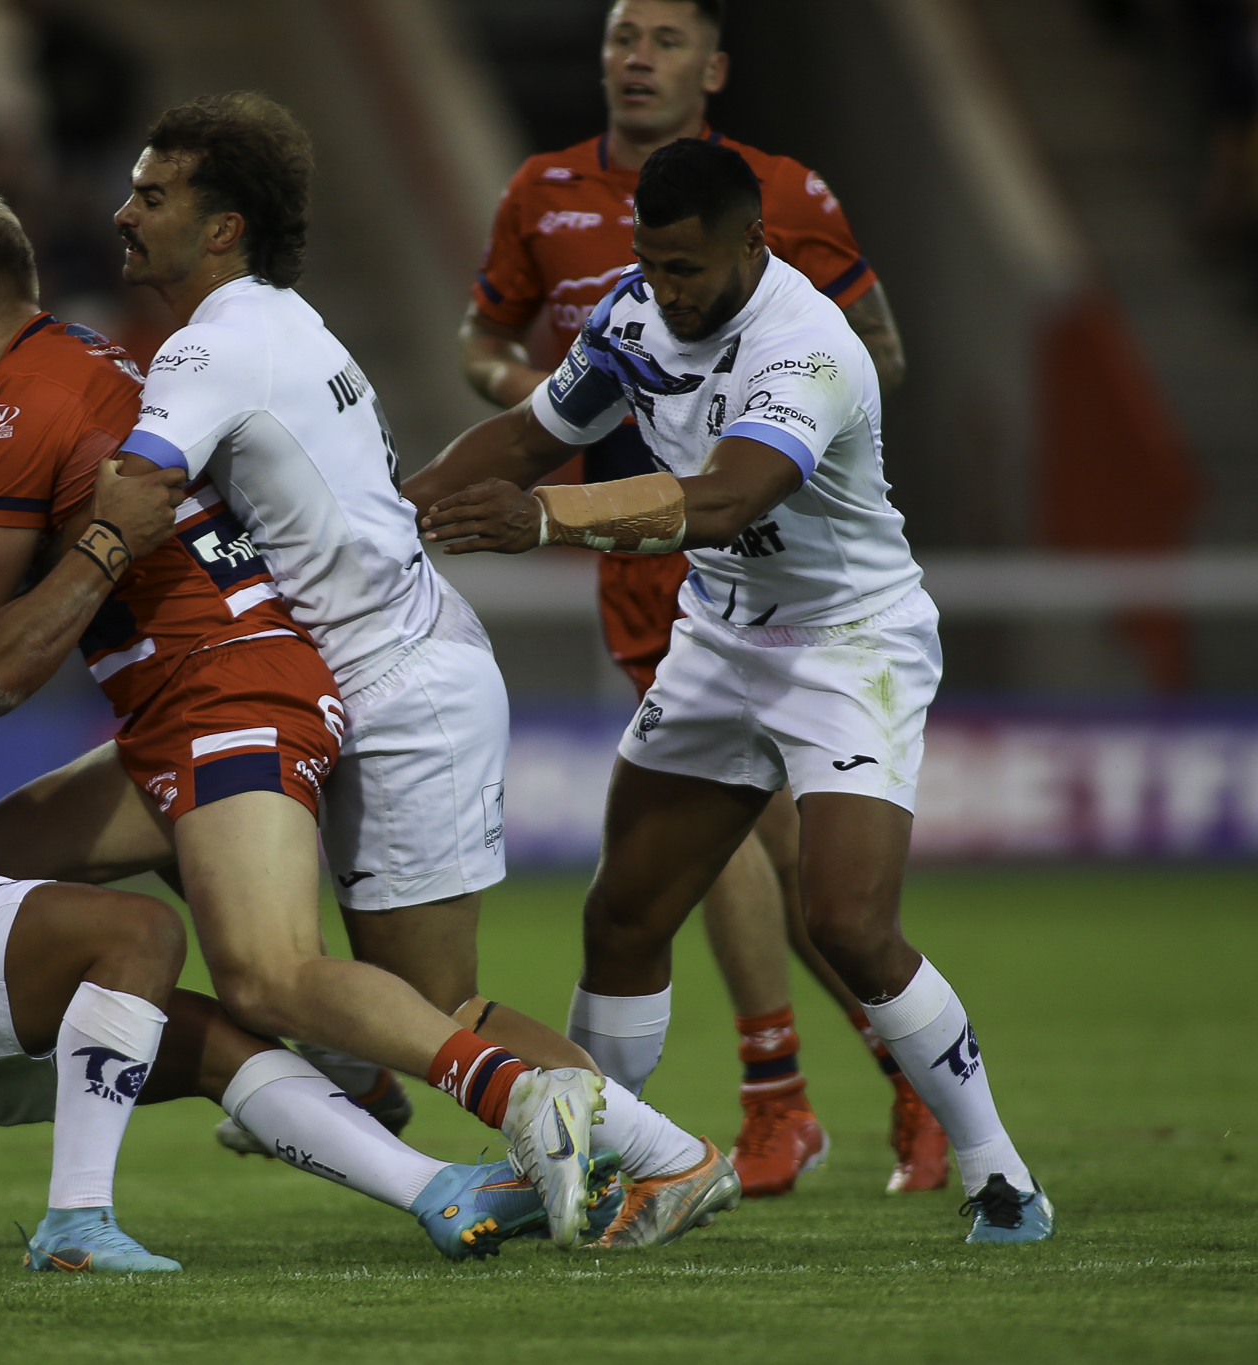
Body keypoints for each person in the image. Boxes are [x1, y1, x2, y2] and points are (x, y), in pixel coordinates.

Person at [0, 167, 675, 1255]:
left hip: (222, 687)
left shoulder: (16, 410)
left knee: (276, 978)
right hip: (195, 693)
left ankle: (548, 1105)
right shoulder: (83, 360)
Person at [89, 92, 741, 1250]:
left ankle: (672, 1157)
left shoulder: (210, 345)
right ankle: (354, 1072)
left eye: (151, 195)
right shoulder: (281, 321)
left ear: (223, 226)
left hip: (397, 690)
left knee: (437, 1007)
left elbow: (134, 496)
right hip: (375, 674)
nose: (123, 214)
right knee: (213, 874)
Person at [416, 137, 1052, 1245]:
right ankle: (599, 1158)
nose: (664, 290)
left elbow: (726, 498)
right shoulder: (629, 315)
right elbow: (526, 436)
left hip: (846, 647)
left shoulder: (807, 346)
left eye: (685, 269)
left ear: (751, 243)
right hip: (719, 638)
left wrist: (546, 519)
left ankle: (998, 1172)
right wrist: (383, 516)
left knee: (847, 922)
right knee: (623, 915)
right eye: (649, 263)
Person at [0, 443, 572, 1270]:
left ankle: (439, 1191)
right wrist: (106, 538)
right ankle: (75, 1222)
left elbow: (2, 622)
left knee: (222, 1043)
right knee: (137, 934)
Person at [444, 0, 943, 1201]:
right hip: (630, 547)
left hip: (749, 532)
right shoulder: (540, 192)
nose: (636, 58)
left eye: (664, 40)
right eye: (621, 36)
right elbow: (482, 346)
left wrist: (764, 421)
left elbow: (876, 352)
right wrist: (565, 399)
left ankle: (841, 1090)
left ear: (712, 68)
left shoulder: (784, 192)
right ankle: (778, 1099)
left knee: (772, 847)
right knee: (696, 848)